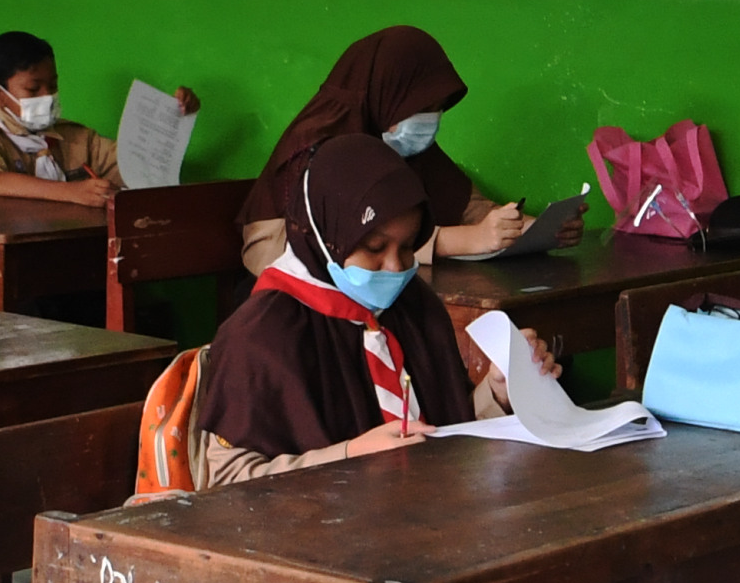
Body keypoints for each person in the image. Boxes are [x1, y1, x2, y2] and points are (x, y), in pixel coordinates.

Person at [193, 134, 530, 485]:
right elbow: (227, 481)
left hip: (427, 518)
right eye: (373, 247)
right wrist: (349, 455)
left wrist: (497, 393)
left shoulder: (415, 306)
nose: (395, 267)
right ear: (325, 237)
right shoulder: (261, 336)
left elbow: (440, 433)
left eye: (408, 246)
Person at [239, 25, 531, 274]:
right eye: (421, 106)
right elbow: (349, 241)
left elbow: (464, 204)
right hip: (296, 299)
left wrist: (530, 228)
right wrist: (464, 240)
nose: (430, 118)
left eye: (437, 108)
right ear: (384, 95)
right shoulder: (322, 148)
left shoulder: (403, 146)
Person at [0, 28, 194, 208]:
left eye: (52, 85)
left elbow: (135, 165)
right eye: (32, 89)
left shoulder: (74, 138)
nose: (47, 96)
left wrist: (175, 116)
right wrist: (72, 192)